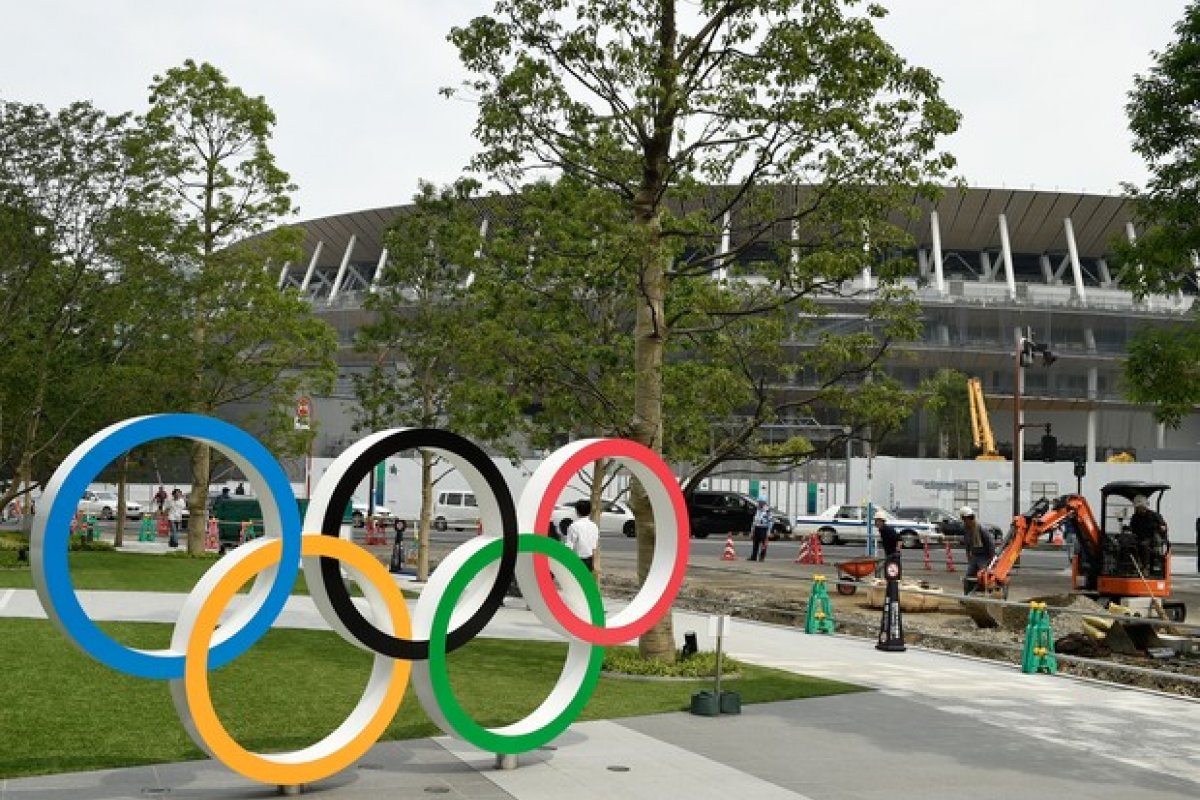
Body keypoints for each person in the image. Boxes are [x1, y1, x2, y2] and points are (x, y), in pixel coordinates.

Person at [1128, 494, 1167, 574]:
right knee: (1128, 545)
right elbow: (1132, 528)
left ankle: (1146, 567)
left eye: (1140, 507)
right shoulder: (1135, 517)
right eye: (1137, 507)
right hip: (1139, 538)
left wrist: (1161, 528)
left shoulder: (1154, 516)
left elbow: (1163, 527)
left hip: (1153, 539)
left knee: (1144, 545)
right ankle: (1132, 566)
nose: (1139, 509)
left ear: (1145, 506)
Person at [961, 506, 994, 594]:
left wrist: (991, 558)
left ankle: (986, 596)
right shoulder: (966, 528)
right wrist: (968, 553)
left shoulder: (980, 528)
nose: (967, 521)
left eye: (969, 518)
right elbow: (967, 542)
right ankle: (967, 596)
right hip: (974, 556)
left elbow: (990, 543)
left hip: (984, 556)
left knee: (983, 577)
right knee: (969, 577)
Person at [564, 499, 600, 573]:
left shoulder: (574, 526)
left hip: (577, 560)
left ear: (577, 511)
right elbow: (594, 546)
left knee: (574, 583)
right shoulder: (594, 526)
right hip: (589, 560)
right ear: (589, 512)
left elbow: (569, 546)